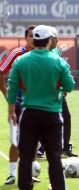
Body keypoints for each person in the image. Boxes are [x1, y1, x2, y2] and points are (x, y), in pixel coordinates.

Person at [6, 25, 75, 190]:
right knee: (54, 157)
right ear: (49, 40)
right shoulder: (58, 61)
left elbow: (12, 87)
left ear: (34, 40)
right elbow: (70, 85)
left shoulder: (21, 61)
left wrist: (10, 111)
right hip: (52, 114)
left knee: (26, 155)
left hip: (29, 114)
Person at [0, 25, 40, 184]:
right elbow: (1, 70)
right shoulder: (17, 53)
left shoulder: (43, 54)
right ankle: (11, 174)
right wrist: (6, 94)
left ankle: (29, 172)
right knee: (16, 140)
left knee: (34, 140)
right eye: (30, 35)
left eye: (35, 35)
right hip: (17, 104)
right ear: (25, 38)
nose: (33, 38)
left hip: (36, 104)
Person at [37, 26, 78, 158]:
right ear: (49, 39)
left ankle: (66, 147)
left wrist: (63, 88)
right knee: (45, 120)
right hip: (43, 94)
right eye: (55, 37)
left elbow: (62, 75)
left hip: (57, 93)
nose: (57, 40)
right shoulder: (36, 54)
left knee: (66, 117)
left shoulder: (56, 52)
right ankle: (42, 147)